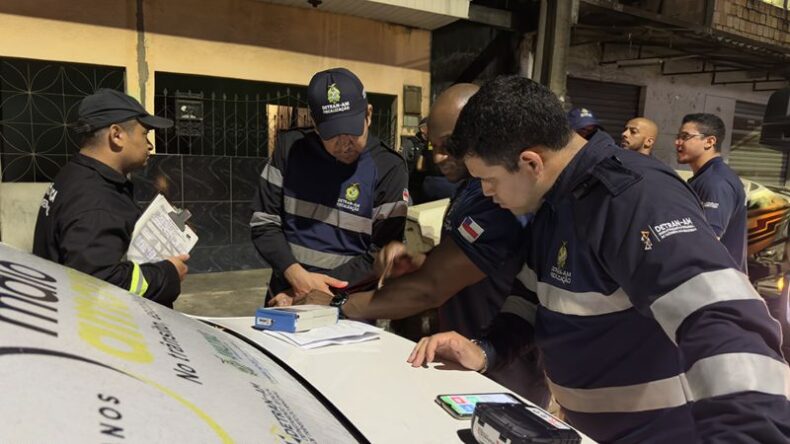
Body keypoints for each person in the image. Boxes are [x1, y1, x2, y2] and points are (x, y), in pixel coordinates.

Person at [409, 76, 790, 443]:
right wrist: (486, 350)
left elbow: (723, 319)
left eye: (487, 179)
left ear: (530, 163)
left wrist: (751, 435)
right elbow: (533, 296)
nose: (486, 193)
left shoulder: (634, 200)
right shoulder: (555, 202)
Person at [289, 83, 548, 405]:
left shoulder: (501, 200)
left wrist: (334, 306)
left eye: (449, 145)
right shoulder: (472, 189)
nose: (438, 157)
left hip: (504, 369)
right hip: (460, 355)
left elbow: (430, 289)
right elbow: (460, 263)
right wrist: (418, 260)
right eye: (433, 145)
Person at [251, 68, 409, 303]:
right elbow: (264, 222)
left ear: (368, 114)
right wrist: (295, 276)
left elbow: (380, 252)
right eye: (332, 134)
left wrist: (311, 291)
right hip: (284, 295)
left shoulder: (389, 168)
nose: (344, 143)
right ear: (314, 124)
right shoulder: (290, 150)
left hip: (346, 303)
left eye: (353, 130)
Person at [33, 89, 188, 307]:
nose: (150, 145)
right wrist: (167, 273)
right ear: (116, 135)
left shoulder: (75, 173)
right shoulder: (96, 200)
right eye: (145, 134)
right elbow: (98, 283)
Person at [676, 113, 747, 273]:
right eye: (678, 136)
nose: (678, 142)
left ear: (709, 141)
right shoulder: (706, 177)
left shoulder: (716, 182)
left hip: (715, 286)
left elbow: (707, 242)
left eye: (685, 137)